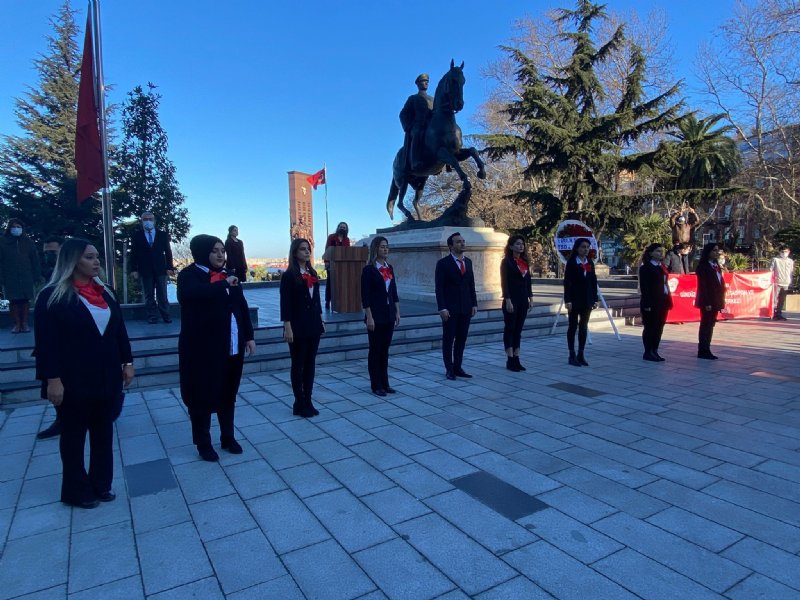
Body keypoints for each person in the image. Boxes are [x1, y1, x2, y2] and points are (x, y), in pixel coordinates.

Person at [33, 238, 134, 509]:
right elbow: (46, 344)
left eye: (97, 257)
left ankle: (101, 483)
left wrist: (127, 362)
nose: (96, 261)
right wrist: (52, 379)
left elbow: (119, 331)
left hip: (106, 375)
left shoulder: (105, 292)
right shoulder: (52, 296)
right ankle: (76, 490)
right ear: (72, 260)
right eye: (89, 257)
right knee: (74, 435)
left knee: (103, 433)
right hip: (73, 378)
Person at [177, 235, 256, 462]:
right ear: (202, 252)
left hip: (231, 346)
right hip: (203, 350)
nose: (221, 254)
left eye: (222, 250)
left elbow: (241, 306)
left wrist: (248, 336)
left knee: (228, 393)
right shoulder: (189, 275)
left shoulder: (228, 275)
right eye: (214, 251)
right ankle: (203, 443)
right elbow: (193, 295)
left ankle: (227, 437)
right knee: (202, 395)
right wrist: (223, 283)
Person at [281, 238, 325, 417]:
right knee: (298, 364)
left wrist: (321, 319)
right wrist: (287, 326)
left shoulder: (312, 272)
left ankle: (308, 399)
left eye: (308, 249)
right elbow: (285, 303)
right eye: (302, 249)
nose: (307, 252)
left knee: (310, 364)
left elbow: (316, 300)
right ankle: (299, 401)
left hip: (313, 324)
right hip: (297, 325)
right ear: (295, 252)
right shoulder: (289, 275)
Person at [435, 232, 477, 380]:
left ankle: (458, 367)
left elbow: (471, 284)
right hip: (450, 309)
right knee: (448, 339)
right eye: (458, 242)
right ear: (451, 246)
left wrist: (474, 303)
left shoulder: (469, 262)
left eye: (463, 241)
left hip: (465, 307)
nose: (462, 244)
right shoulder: (443, 263)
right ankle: (449, 368)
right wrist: (442, 307)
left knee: (461, 339)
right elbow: (439, 287)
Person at [361, 236, 400, 396]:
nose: (386, 249)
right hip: (375, 315)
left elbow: (394, 292)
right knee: (375, 350)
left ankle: (385, 382)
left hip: (389, 314)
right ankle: (375, 384)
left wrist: (397, 311)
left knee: (385, 350)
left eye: (387, 247)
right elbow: (365, 296)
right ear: (375, 249)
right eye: (383, 247)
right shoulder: (369, 270)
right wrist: (369, 316)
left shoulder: (389, 268)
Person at [36, 236, 66, 439]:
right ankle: (61, 419)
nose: (49, 257)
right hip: (54, 345)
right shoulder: (47, 287)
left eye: (53, 253)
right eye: (46, 252)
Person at [129, 211, 175, 324]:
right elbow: (133, 253)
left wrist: (170, 267)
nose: (148, 221)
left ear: (154, 221)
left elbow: (168, 252)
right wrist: (133, 269)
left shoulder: (162, 235)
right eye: (145, 219)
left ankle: (166, 315)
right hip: (145, 270)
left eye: (150, 219)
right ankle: (152, 316)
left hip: (160, 269)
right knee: (149, 295)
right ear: (141, 221)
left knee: (162, 294)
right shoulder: (137, 235)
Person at [0, 218, 41, 333]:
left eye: (19, 227)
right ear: (9, 228)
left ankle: (24, 323)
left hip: (26, 275)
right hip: (10, 276)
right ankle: (17, 324)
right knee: (14, 300)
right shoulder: (3, 242)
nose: (16, 229)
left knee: (25, 300)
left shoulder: (28, 242)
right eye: (14, 227)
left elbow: (35, 260)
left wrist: (37, 275)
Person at [563, 238, 598, 366]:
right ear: (577, 248)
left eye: (587, 247)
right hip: (574, 300)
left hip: (587, 300)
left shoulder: (590, 262)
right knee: (572, 326)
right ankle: (571, 354)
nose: (586, 249)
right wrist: (568, 300)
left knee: (583, 326)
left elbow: (593, 282)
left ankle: (581, 354)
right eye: (583, 247)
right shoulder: (571, 263)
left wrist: (595, 298)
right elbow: (567, 283)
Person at [500, 235, 533, 372]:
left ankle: (517, 358)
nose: (521, 246)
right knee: (510, 328)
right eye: (518, 244)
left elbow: (528, 282)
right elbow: (504, 283)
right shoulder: (506, 262)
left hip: (523, 299)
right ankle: (510, 358)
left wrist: (531, 297)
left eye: (522, 244)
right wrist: (507, 300)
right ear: (511, 246)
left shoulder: (525, 262)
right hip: (511, 300)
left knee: (518, 330)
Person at [639, 243, 673, 362]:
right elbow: (645, 287)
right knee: (650, 327)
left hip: (663, 300)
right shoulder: (646, 268)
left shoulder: (662, 267)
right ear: (651, 253)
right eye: (658, 251)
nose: (661, 253)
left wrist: (669, 300)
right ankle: (648, 351)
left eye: (662, 251)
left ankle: (655, 350)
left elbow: (665, 284)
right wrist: (647, 303)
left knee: (659, 327)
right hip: (651, 301)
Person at [695, 242, 726, 360]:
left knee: (711, 324)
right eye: (714, 250)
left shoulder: (716, 266)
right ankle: (703, 349)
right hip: (707, 300)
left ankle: (707, 348)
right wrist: (707, 302)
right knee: (706, 324)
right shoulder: (703, 266)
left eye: (718, 250)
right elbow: (703, 286)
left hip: (716, 299)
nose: (717, 253)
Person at [399, 73, 434, 172]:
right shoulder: (413, 98)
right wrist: (407, 126)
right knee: (417, 133)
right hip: (418, 125)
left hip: (431, 126)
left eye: (427, 82)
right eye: (424, 81)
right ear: (418, 84)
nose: (426, 83)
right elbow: (403, 114)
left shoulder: (433, 99)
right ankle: (414, 161)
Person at [323, 222, 351, 310]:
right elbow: (327, 249)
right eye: (341, 227)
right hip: (331, 264)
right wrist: (326, 262)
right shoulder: (331, 237)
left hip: (343, 266)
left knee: (342, 283)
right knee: (330, 283)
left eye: (344, 227)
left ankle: (340, 301)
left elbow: (348, 252)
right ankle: (328, 301)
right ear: (338, 227)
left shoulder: (347, 240)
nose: (342, 228)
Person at [771, 245, 794, 321]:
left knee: (782, 300)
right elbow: (770, 270)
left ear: (789, 252)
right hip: (776, 282)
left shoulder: (790, 261)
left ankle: (779, 314)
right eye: (782, 251)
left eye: (786, 251)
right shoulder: (775, 260)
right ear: (779, 252)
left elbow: (791, 272)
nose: (784, 253)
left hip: (786, 283)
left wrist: (790, 282)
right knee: (774, 299)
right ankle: (773, 314)